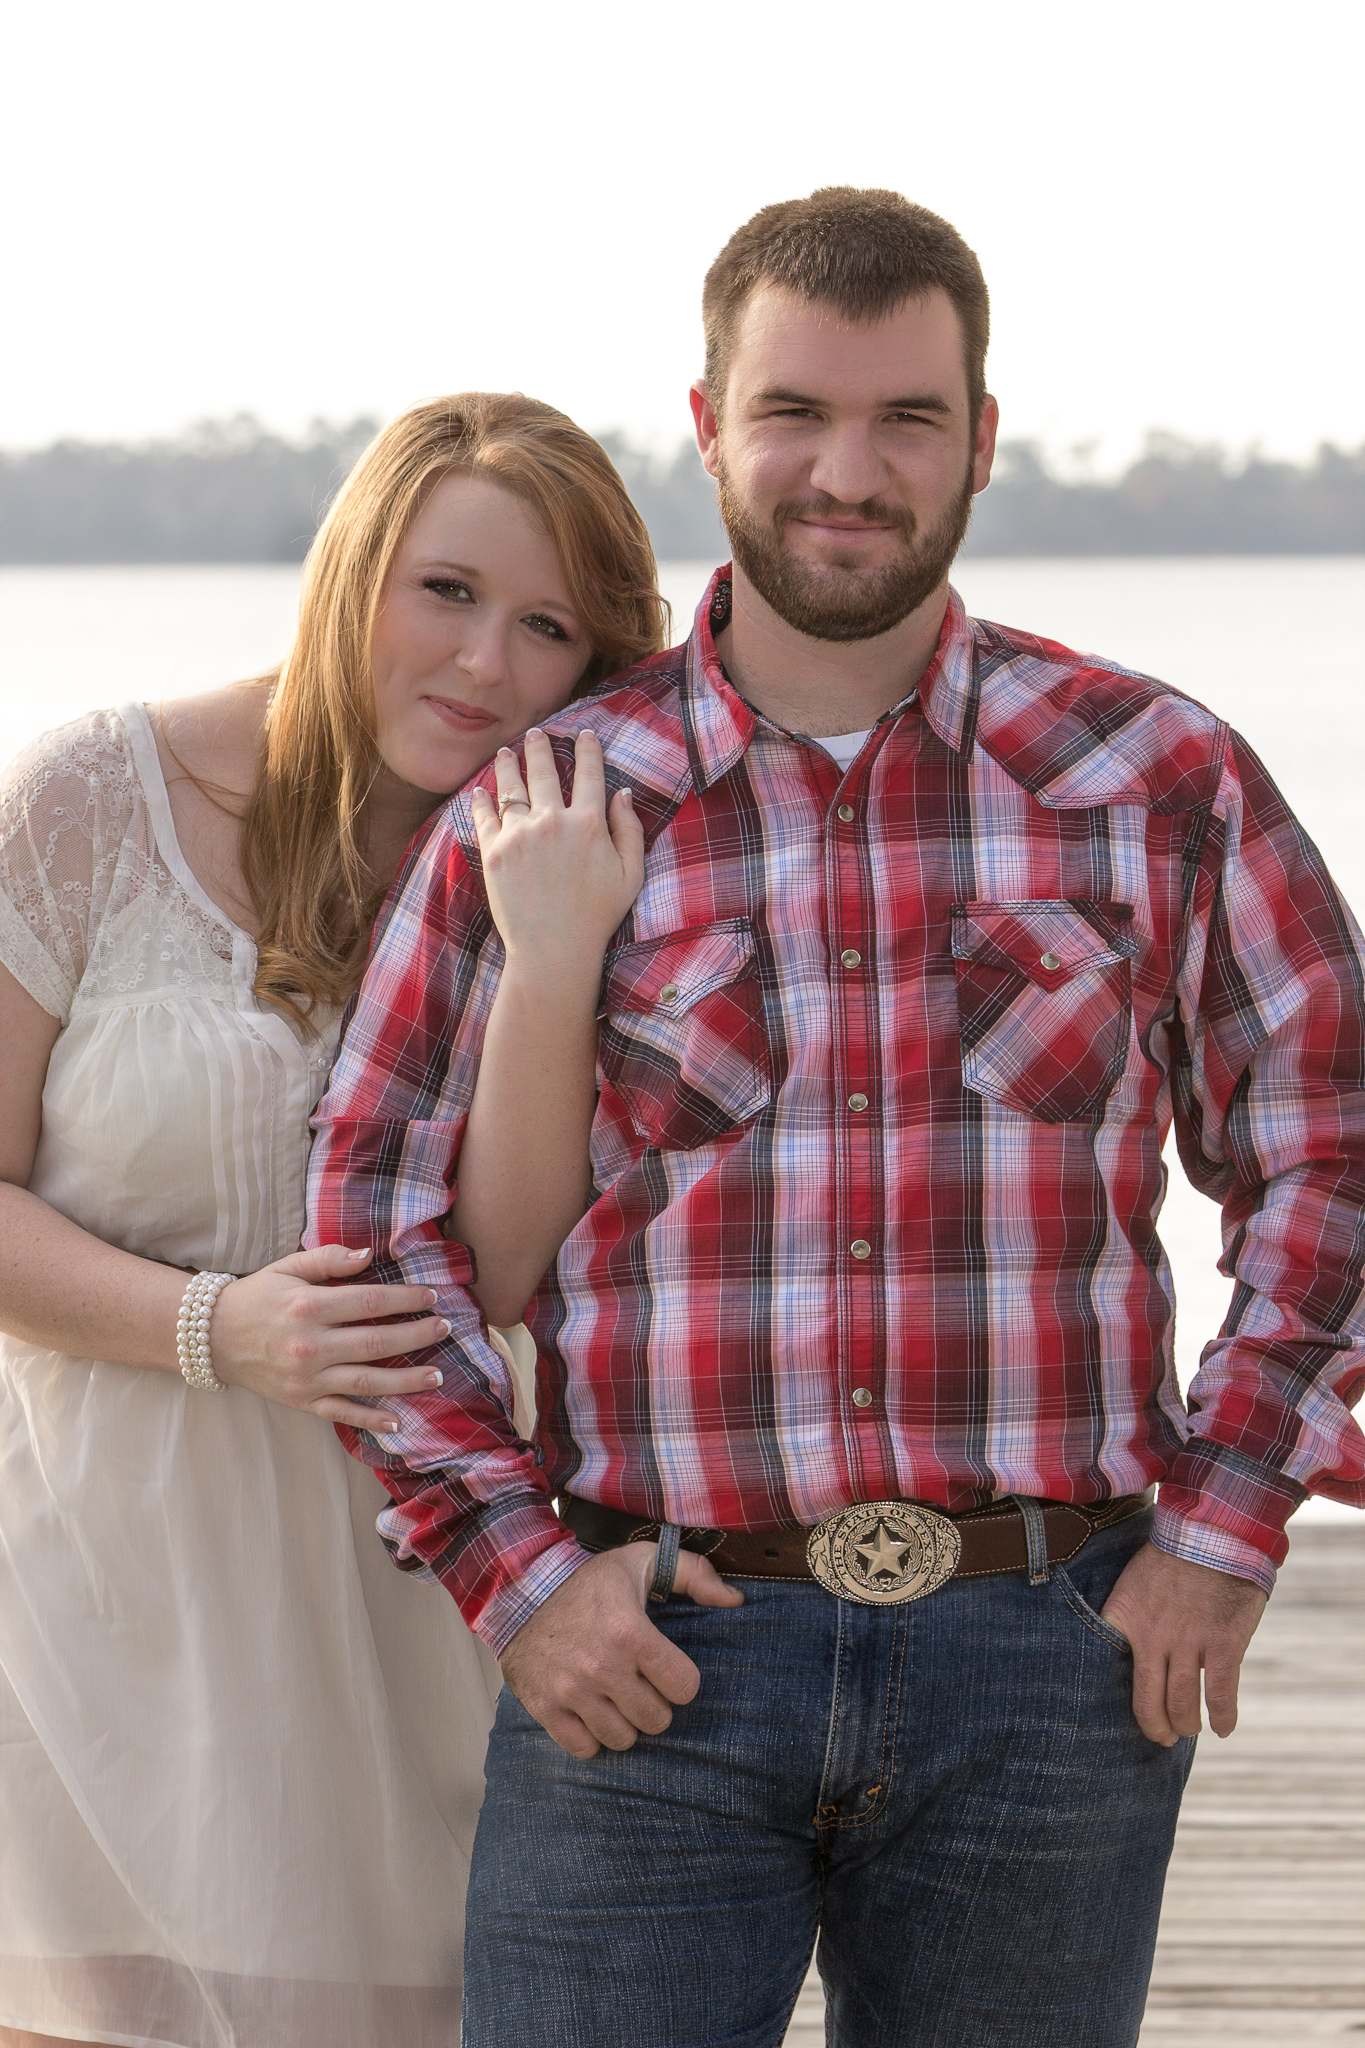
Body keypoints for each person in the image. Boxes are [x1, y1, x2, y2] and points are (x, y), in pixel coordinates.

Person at [304, 190, 1365, 2048]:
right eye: (794, 412)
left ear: (980, 439)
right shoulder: (558, 796)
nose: (845, 472)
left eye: (906, 419)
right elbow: (376, 1224)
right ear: (710, 425)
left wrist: (1220, 1526)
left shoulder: (1152, 774)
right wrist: (514, 1573)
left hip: (1054, 1661)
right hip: (649, 1647)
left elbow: (1326, 1150)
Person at [0, 392, 663, 2048]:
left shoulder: (555, 860)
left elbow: (503, 1268)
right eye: (444, 591)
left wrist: (555, 948)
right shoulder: (94, 799)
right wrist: (214, 1327)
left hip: (393, 1640)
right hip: (84, 1621)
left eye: (546, 629)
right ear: (353, 566)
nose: (485, 667)